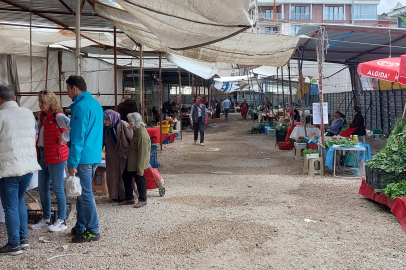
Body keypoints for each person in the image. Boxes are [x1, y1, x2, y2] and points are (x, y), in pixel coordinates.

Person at [0, 85, 41, 255]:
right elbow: (35, 135)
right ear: (14, 98)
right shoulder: (28, 113)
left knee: (10, 207)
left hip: (9, 168)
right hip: (28, 166)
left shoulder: (1, 116)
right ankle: (23, 239)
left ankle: (14, 243)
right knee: (19, 201)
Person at [66, 75, 103, 243]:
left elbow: (78, 137)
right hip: (94, 155)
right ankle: (80, 226)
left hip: (83, 158)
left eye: (67, 89)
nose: (67, 93)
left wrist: (72, 162)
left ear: (74, 88)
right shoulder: (96, 105)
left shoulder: (80, 107)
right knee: (80, 192)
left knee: (85, 194)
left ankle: (93, 229)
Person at [31, 90, 70, 232]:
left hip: (56, 156)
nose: (40, 104)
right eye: (39, 101)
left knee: (58, 188)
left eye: (43, 101)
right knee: (42, 188)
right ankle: (47, 218)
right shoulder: (43, 117)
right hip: (44, 155)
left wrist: (64, 138)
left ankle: (62, 220)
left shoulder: (58, 116)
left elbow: (72, 127)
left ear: (50, 102)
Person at [121, 112, 151, 208]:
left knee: (140, 179)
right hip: (133, 162)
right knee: (126, 176)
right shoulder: (137, 132)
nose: (128, 123)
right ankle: (129, 198)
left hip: (138, 163)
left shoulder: (141, 134)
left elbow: (142, 153)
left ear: (133, 122)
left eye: (129, 121)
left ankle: (142, 199)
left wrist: (140, 169)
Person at [103, 110, 133, 202]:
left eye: (106, 119)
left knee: (124, 176)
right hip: (112, 156)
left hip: (123, 155)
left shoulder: (123, 125)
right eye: (103, 119)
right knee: (113, 176)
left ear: (112, 118)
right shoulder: (105, 129)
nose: (104, 121)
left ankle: (125, 196)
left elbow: (131, 139)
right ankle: (115, 196)